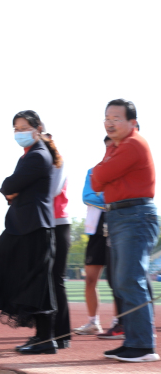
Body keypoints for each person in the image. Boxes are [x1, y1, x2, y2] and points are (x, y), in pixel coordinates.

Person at [0, 110, 61, 354]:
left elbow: (9, 185)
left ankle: (46, 339)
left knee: (37, 282)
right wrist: (13, 190)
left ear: (38, 128)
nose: (20, 133)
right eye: (16, 129)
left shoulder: (38, 155)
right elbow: (12, 187)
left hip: (35, 227)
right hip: (24, 226)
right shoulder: (29, 155)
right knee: (20, 275)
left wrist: (12, 190)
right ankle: (41, 336)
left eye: (25, 127)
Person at [92, 99, 159, 363]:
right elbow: (98, 179)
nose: (109, 122)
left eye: (116, 118)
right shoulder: (118, 147)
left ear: (133, 122)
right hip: (121, 215)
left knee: (130, 280)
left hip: (135, 216)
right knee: (121, 282)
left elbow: (98, 176)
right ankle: (133, 341)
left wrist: (104, 173)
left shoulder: (133, 144)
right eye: (107, 117)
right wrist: (104, 172)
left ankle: (143, 345)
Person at [75, 136, 124, 338]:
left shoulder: (124, 170)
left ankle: (119, 321)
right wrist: (109, 197)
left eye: (114, 147)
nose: (111, 150)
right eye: (108, 147)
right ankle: (93, 322)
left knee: (117, 279)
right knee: (90, 279)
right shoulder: (93, 171)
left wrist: (103, 196)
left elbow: (122, 194)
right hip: (96, 228)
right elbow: (87, 196)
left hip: (119, 224)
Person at [48, 134, 72, 347]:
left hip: (59, 224)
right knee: (45, 281)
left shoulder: (58, 163)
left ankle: (63, 335)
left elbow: (52, 191)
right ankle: (48, 331)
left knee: (57, 280)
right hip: (43, 226)